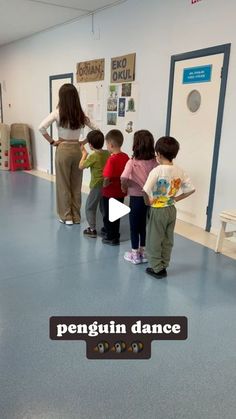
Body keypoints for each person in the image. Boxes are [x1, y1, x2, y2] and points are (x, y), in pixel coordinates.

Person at [38, 83, 98, 225]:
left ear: (61, 97)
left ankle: (66, 217)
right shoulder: (81, 114)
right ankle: (76, 216)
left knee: (63, 183)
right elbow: (97, 129)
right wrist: (83, 142)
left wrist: (53, 142)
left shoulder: (57, 112)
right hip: (77, 150)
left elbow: (41, 128)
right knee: (76, 184)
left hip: (63, 149)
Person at [143, 136, 195, 278]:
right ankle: (164, 265)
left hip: (158, 209)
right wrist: (176, 198)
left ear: (158, 154)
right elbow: (191, 189)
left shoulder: (157, 171)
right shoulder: (179, 170)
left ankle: (156, 268)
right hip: (171, 209)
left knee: (154, 239)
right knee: (167, 239)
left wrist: (148, 202)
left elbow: (145, 190)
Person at [121, 130, 157, 264]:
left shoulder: (132, 162)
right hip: (149, 199)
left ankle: (135, 254)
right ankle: (143, 251)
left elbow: (123, 177)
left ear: (136, 145)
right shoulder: (154, 162)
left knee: (134, 226)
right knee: (143, 225)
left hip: (135, 198)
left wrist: (124, 188)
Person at [79, 130, 110, 238]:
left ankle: (92, 229)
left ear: (90, 145)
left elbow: (81, 166)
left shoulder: (93, 156)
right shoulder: (108, 153)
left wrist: (84, 154)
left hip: (97, 186)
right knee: (103, 207)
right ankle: (107, 227)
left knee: (89, 207)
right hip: (107, 185)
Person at [102, 129, 129, 246]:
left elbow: (107, 177)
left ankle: (110, 236)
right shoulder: (125, 157)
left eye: (107, 144)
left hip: (109, 193)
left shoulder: (111, 160)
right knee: (116, 215)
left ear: (111, 145)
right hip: (120, 192)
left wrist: (104, 184)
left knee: (108, 215)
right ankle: (115, 234)